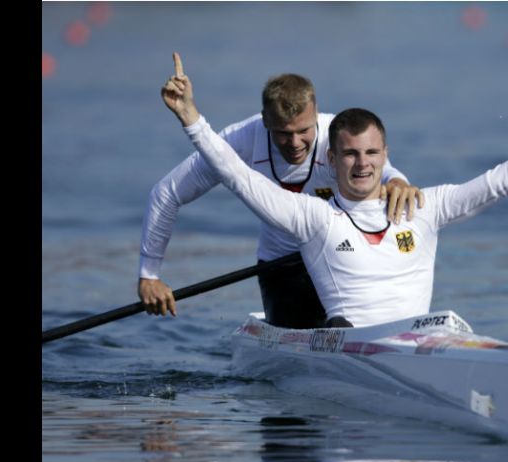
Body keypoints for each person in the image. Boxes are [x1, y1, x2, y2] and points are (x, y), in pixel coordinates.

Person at [161, 52, 508, 328]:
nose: (362, 165)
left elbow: (501, 182)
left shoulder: (423, 205)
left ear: (385, 154)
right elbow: (237, 176)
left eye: (371, 154)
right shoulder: (313, 217)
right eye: (350, 156)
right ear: (331, 159)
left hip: (415, 340)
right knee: (330, 325)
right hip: (346, 345)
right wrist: (192, 120)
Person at [139, 66, 423, 328]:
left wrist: (399, 181)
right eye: (284, 134)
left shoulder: (337, 133)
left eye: (304, 130)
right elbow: (166, 194)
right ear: (265, 121)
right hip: (282, 267)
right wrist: (149, 275)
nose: (296, 143)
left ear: (316, 115)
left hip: (341, 256)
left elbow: (381, 167)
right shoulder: (241, 140)